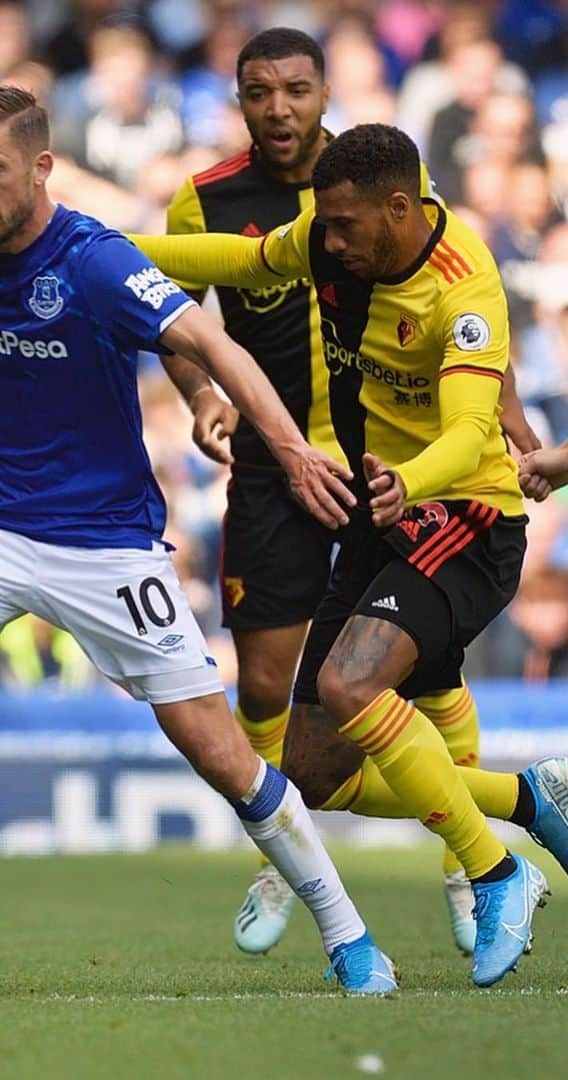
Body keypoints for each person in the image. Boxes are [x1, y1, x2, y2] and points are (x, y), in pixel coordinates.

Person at [0, 84, 400, 996]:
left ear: (41, 167)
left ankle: (349, 935)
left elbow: (215, 346)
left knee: (221, 754)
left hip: (106, 545)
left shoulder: (97, 260)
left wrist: (293, 452)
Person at [130, 123, 568, 988]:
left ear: (398, 210)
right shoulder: (336, 245)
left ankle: (495, 870)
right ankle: (527, 802)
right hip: (383, 519)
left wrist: (408, 481)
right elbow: (242, 262)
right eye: (321, 227)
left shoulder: (465, 288)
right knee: (317, 773)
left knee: (348, 685)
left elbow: (472, 432)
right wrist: (95, 246)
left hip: (464, 518)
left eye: (340, 225)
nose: (323, 242)